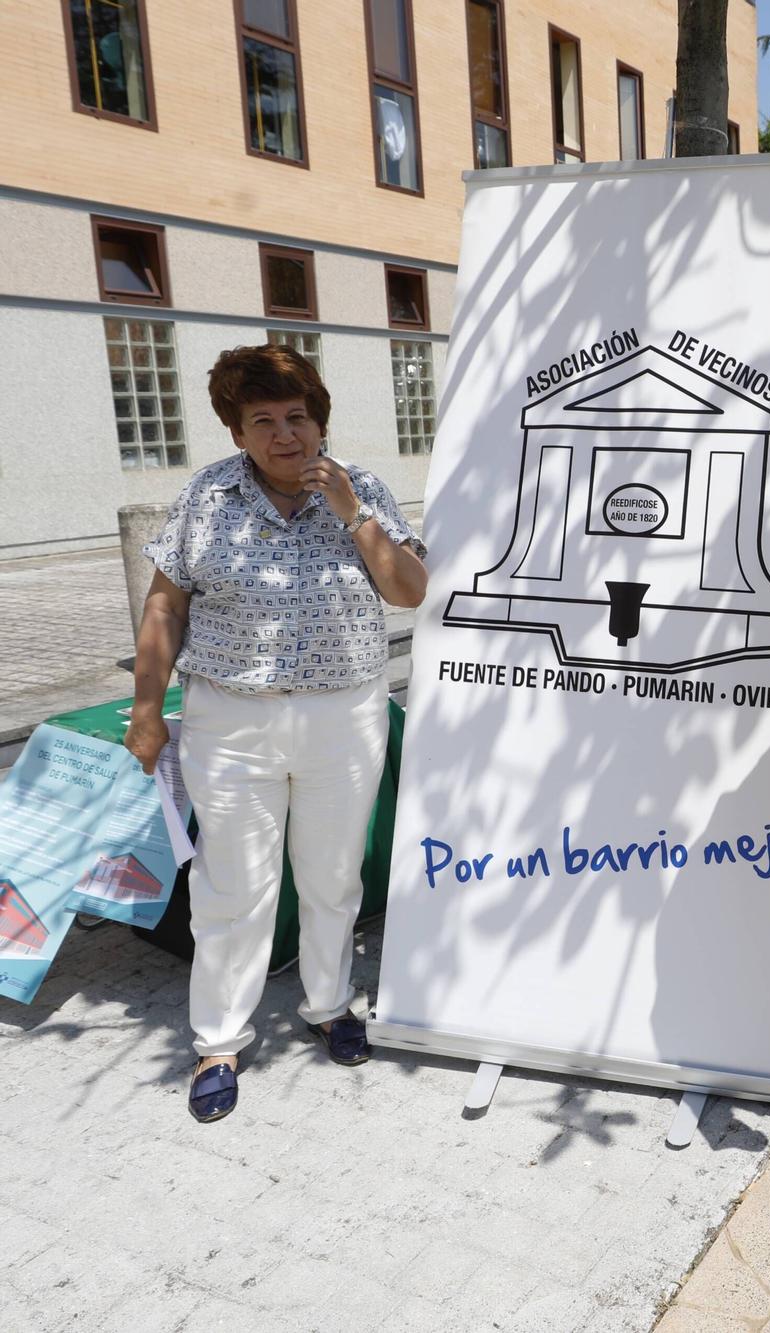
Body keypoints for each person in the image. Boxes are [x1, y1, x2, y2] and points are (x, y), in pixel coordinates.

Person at [125, 343, 428, 1123]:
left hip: (343, 712)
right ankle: (220, 1040)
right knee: (232, 886)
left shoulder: (361, 490)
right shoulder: (209, 497)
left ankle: (329, 1004)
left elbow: (409, 590)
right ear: (238, 433)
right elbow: (166, 606)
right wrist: (147, 707)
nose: (285, 434)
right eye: (263, 420)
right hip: (231, 719)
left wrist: (353, 515)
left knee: (332, 875)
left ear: (320, 422)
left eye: (297, 416)